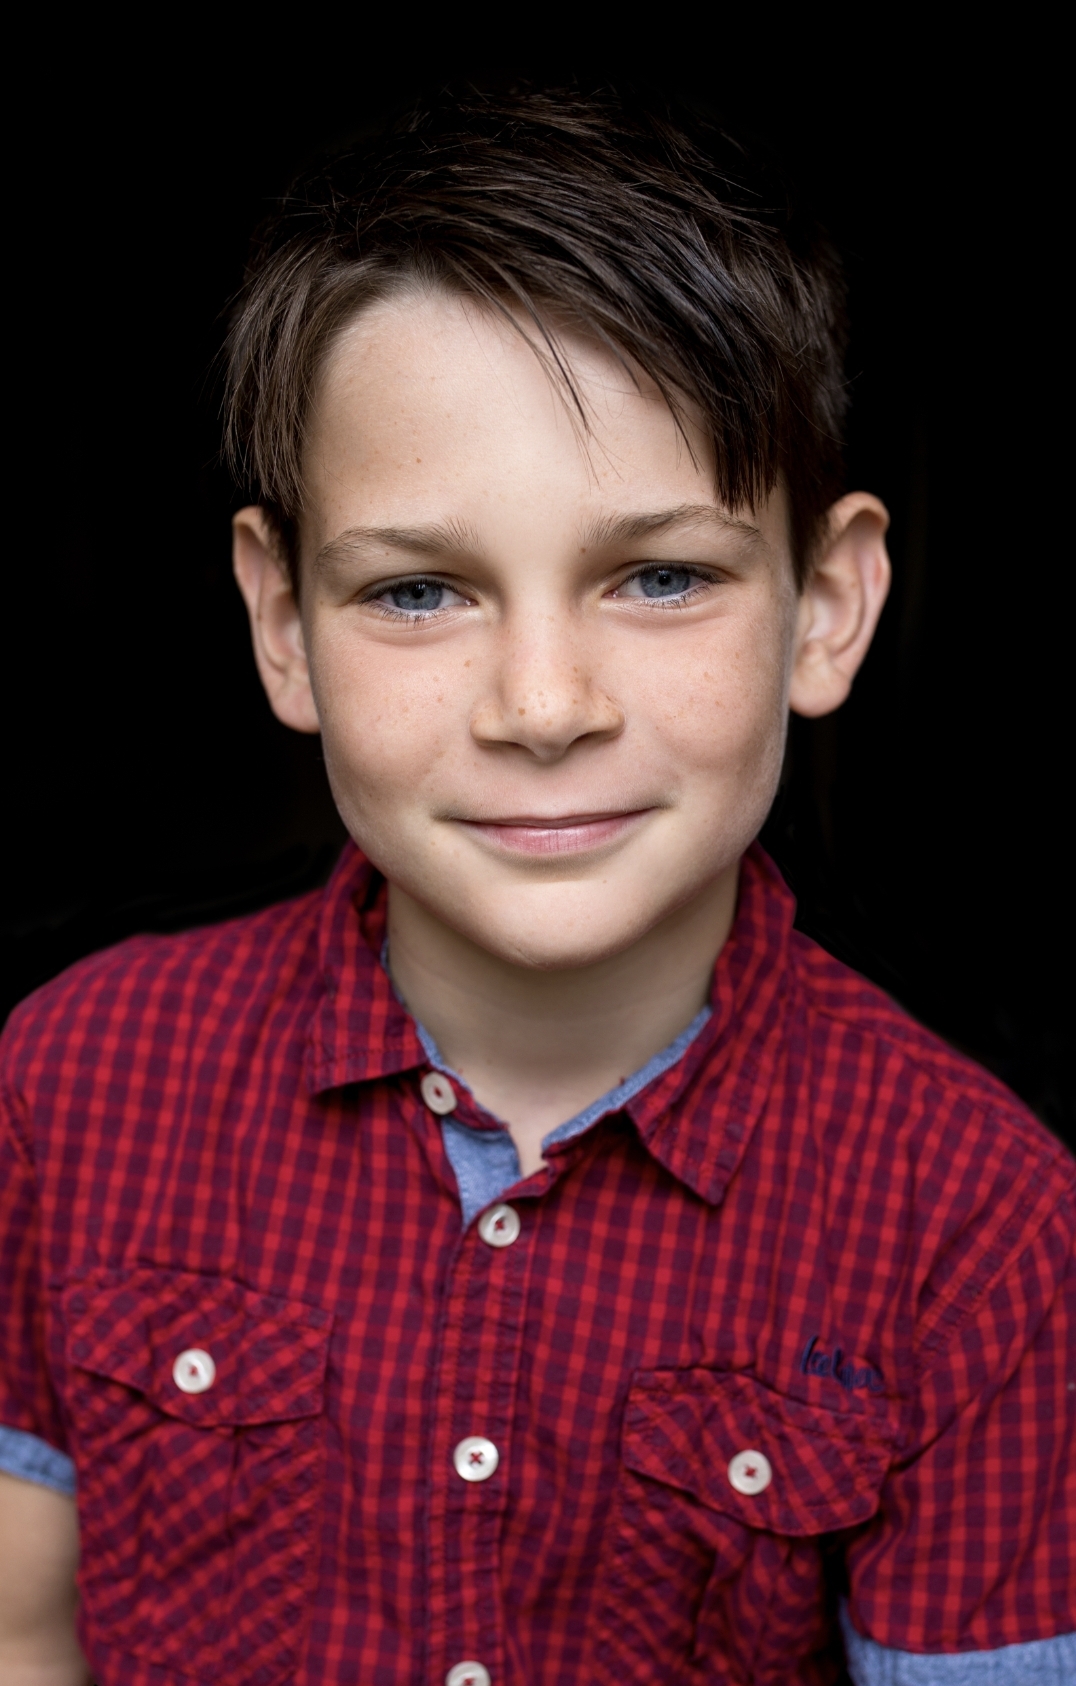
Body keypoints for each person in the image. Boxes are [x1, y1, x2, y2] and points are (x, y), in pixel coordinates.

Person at [1, 87, 1072, 1686]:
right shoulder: (75, 1080)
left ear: (826, 605)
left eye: (663, 575)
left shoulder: (977, 1219)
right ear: (283, 624)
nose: (544, 704)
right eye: (419, 591)